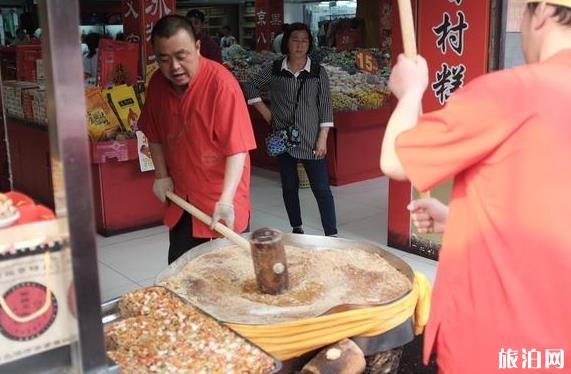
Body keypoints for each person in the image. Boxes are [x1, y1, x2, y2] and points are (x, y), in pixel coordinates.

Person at [380, 1, 571, 372]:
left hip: (498, 341)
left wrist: (409, 93)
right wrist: (461, 219)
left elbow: (395, 159)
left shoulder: (515, 91)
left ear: (543, 13)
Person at [138, 15, 256, 265]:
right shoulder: (158, 83)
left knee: (226, 281)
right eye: (164, 59)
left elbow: (238, 150)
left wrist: (226, 199)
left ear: (198, 48)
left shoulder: (221, 85)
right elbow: (154, 133)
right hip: (182, 200)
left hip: (220, 202)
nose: (175, 67)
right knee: (180, 272)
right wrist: (161, 175)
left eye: (182, 56)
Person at [245, 23, 337, 237]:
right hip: (281, 137)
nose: (300, 44)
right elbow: (250, 86)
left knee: (321, 189)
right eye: (295, 39)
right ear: (286, 42)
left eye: (304, 40)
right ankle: (297, 227)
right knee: (289, 186)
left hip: (310, 138)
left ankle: (331, 233)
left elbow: (325, 105)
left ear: (309, 44)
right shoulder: (275, 69)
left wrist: (322, 137)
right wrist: (266, 112)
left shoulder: (317, 71)